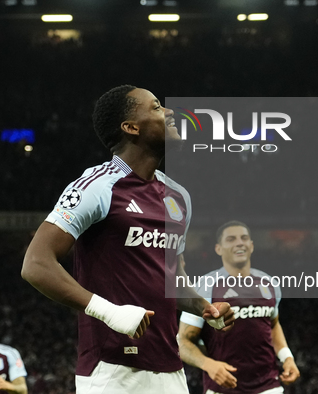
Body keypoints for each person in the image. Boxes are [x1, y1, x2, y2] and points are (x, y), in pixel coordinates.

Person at [21, 84, 235, 394]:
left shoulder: (179, 197)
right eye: (156, 107)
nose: (170, 112)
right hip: (112, 370)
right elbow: (36, 264)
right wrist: (109, 311)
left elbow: (169, 278)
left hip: (170, 369)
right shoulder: (97, 186)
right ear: (131, 127)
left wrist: (203, 306)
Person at [178, 221, 300, 394]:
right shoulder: (206, 285)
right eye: (231, 239)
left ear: (251, 246)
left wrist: (287, 357)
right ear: (218, 249)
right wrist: (208, 365)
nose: (239, 242)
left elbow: (273, 325)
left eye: (244, 238)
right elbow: (182, 341)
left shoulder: (269, 283)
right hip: (223, 388)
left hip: (268, 386)